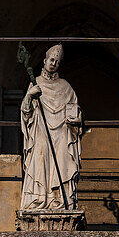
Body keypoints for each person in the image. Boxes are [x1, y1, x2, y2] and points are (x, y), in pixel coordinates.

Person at [19, 44, 83, 210]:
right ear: (45, 61)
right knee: (40, 161)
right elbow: (26, 112)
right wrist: (30, 95)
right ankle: (39, 200)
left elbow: (75, 110)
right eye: (51, 60)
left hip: (62, 132)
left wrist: (75, 119)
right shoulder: (36, 83)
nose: (54, 63)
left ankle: (60, 201)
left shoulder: (66, 86)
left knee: (62, 161)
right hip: (41, 130)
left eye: (57, 61)